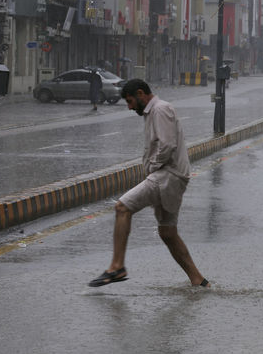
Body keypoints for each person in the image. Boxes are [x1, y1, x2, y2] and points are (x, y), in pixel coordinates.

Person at [88, 79, 209, 287]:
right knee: (168, 233)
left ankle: (117, 266)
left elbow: (167, 145)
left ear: (141, 93)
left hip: (166, 175)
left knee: (122, 207)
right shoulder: (154, 112)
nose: (129, 107)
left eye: (130, 101)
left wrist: (153, 167)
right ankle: (198, 280)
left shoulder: (160, 110)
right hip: (172, 176)